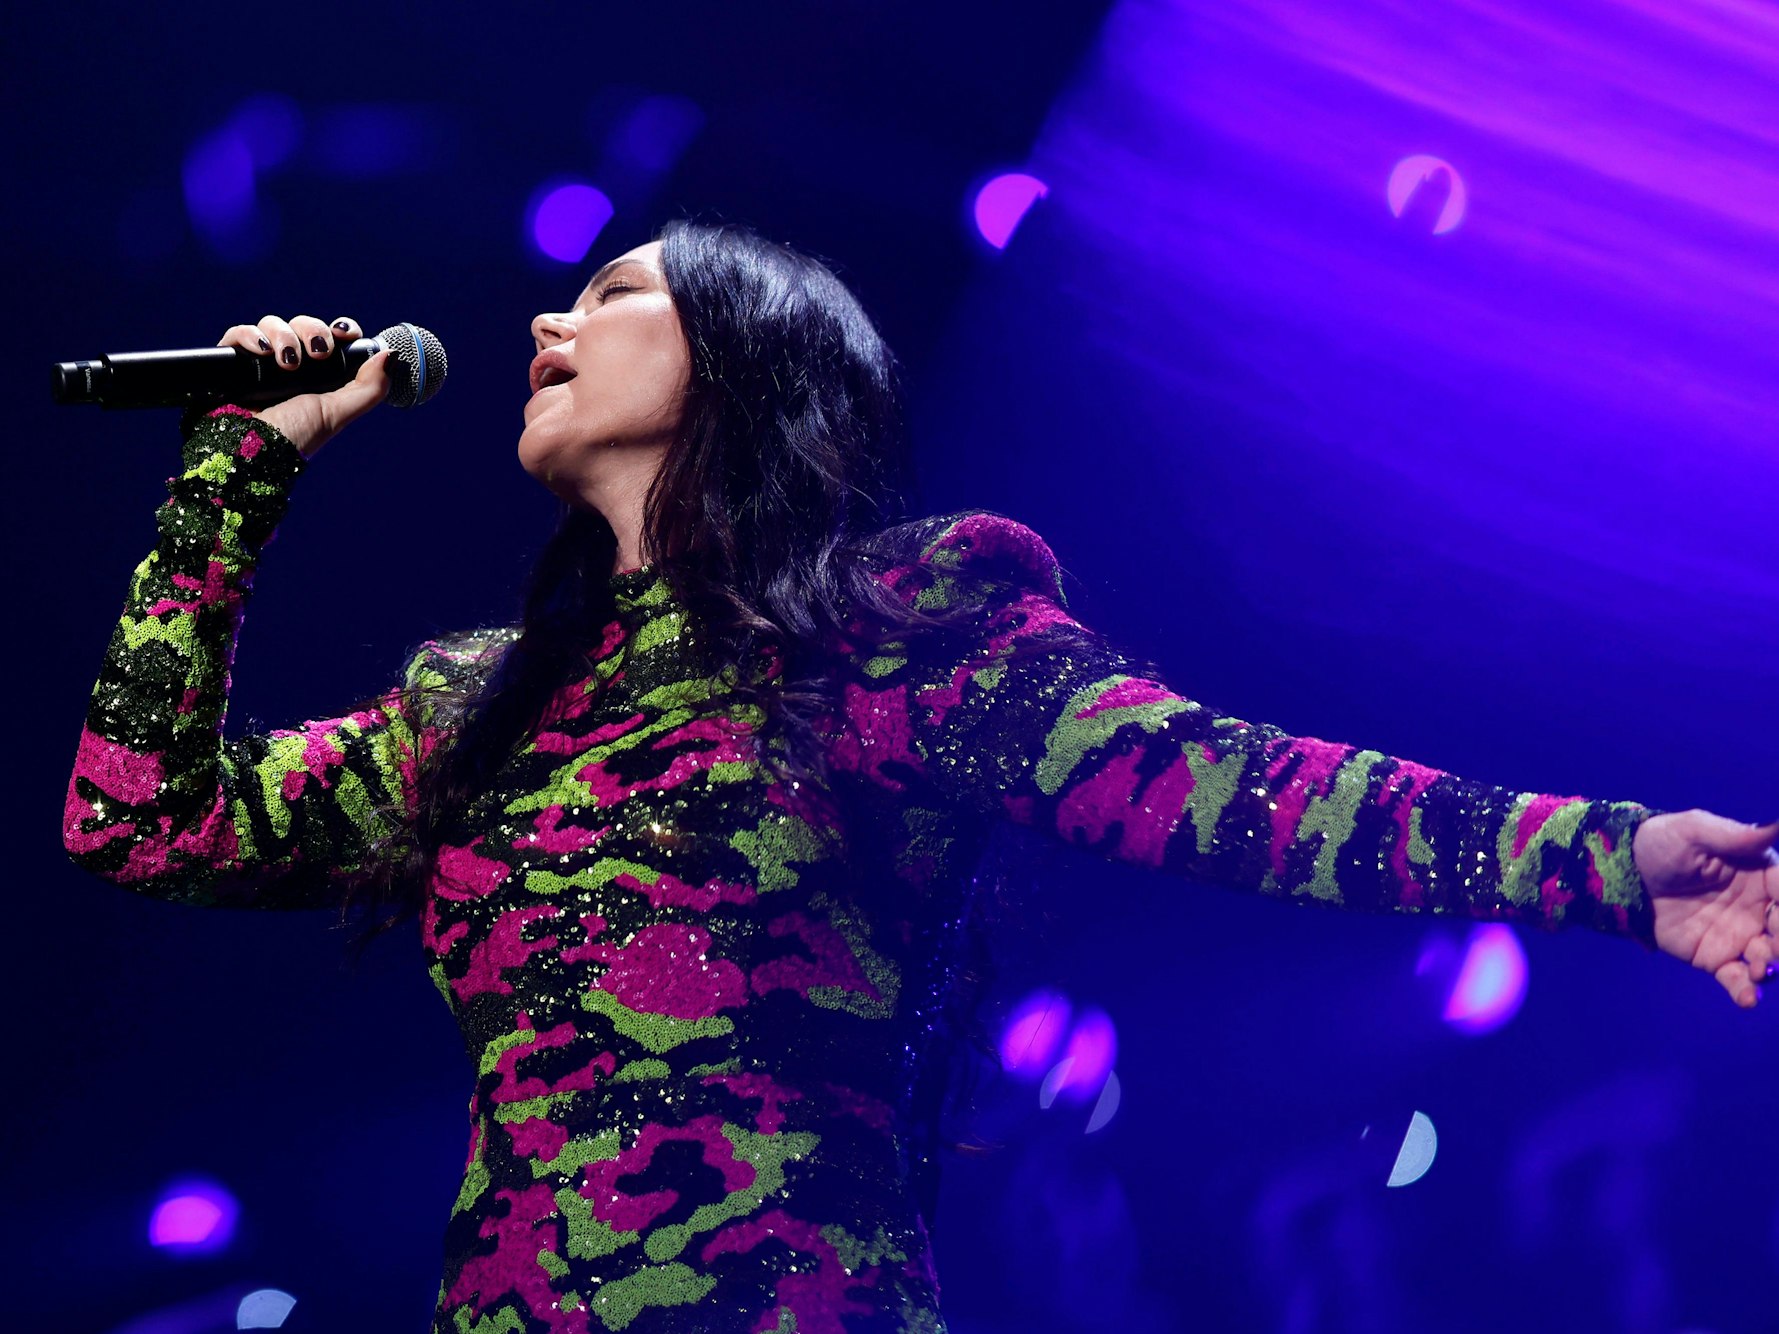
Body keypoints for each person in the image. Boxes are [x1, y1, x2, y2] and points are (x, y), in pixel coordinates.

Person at [63, 217, 1778, 1333]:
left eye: (612, 294)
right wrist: (235, 474)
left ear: (739, 358)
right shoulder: (477, 710)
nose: (545, 318)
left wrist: (1615, 860)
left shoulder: (900, 633)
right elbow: (137, 819)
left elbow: (1240, 788)